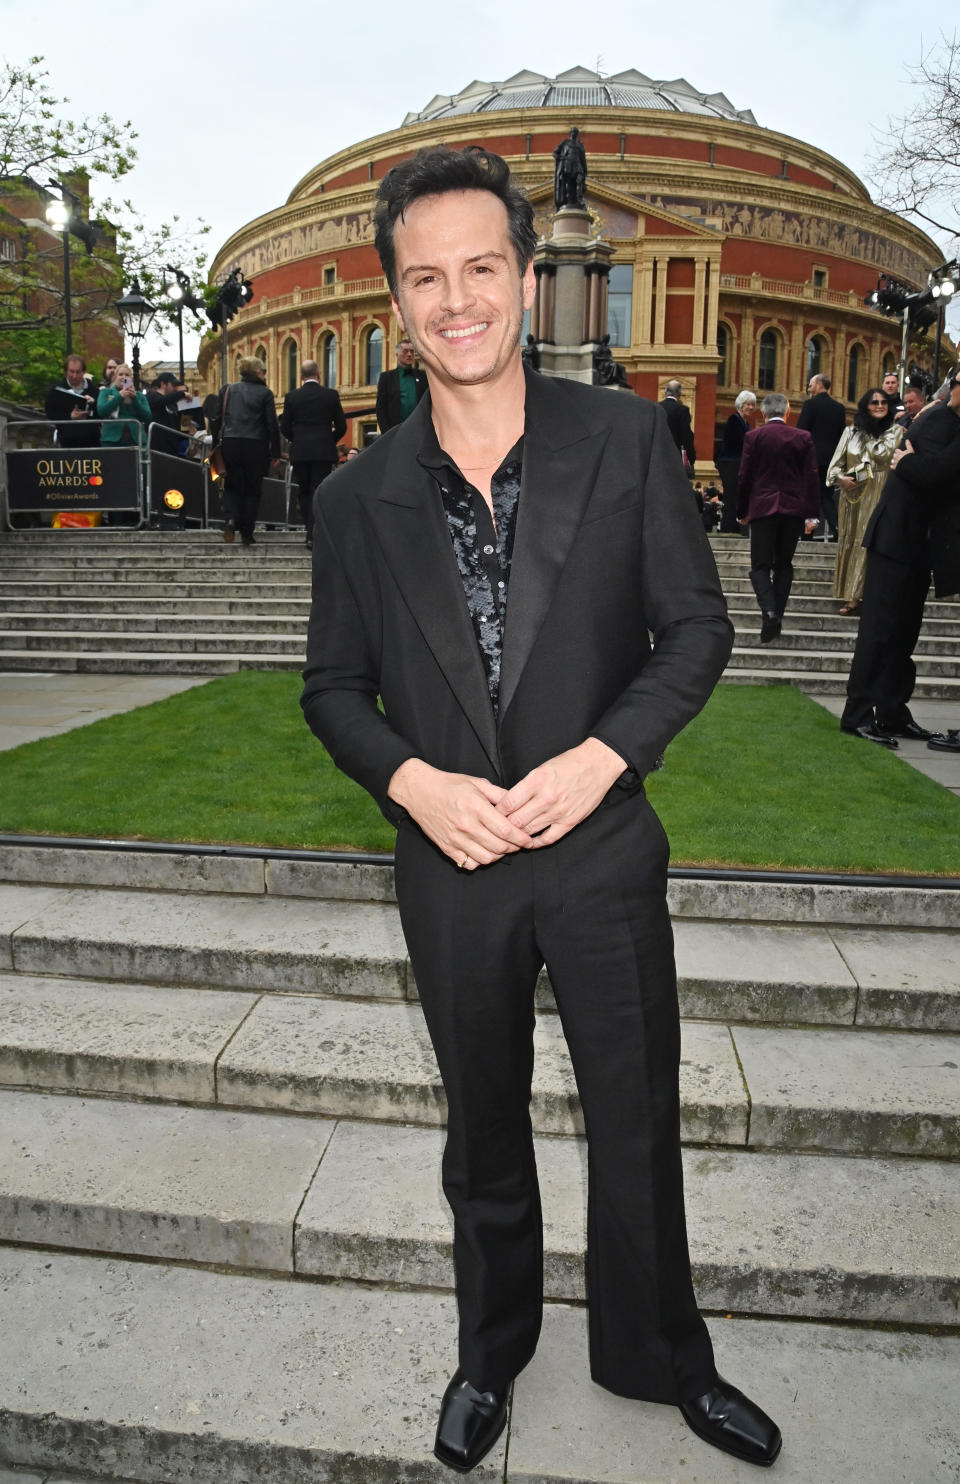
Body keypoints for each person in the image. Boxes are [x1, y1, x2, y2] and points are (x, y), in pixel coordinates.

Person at [301, 144, 780, 1474]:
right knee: (485, 1131)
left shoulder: (629, 438)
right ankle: (491, 1352)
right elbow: (332, 688)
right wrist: (411, 781)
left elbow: (695, 633)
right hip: (451, 867)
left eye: (481, 269)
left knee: (637, 1120)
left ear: (524, 274)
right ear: (398, 301)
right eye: (425, 278)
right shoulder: (352, 498)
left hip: (603, 853)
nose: (457, 301)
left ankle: (662, 1356)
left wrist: (604, 759)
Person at [840, 372, 960, 747]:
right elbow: (934, 472)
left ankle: (891, 712)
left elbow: (935, 472)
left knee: (903, 633)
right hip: (897, 539)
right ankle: (858, 714)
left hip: (915, 544)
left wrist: (907, 464)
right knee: (879, 630)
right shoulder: (939, 420)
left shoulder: (942, 419)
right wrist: (908, 464)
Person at [737, 391, 819, 642]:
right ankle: (773, 620)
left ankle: (770, 612)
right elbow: (811, 476)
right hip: (793, 510)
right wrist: (812, 515)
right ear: (787, 412)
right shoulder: (803, 437)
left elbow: (745, 476)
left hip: (763, 509)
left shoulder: (754, 436)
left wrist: (742, 511)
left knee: (759, 567)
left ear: (763, 413)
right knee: (783, 566)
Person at [827, 389, 902, 615]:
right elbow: (832, 470)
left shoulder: (895, 431)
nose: (880, 406)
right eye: (874, 402)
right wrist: (842, 479)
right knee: (850, 541)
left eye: (883, 402)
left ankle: (860, 596)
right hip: (852, 497)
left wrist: (869, 433)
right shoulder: (850, 432)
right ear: (865, 406)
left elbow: (882, 455)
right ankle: (850, 592)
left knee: (869, 543)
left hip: (880, 492)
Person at [211, 355, 280, 546]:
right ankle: (247, 533)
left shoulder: (228, 390)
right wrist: (275, 451)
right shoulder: (265, 393)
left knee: (232, 485)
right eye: (263, 370)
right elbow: (272, 425)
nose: (265, 374)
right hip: (256, 445)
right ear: (257, 372)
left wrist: (216, 442)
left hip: (231, 443)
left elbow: (217, 418)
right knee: (252, 489)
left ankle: (231, 519)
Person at [280, 359, 347, 548]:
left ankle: (308, 532)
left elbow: (284, 427)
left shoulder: (292, 397)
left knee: (304, 491)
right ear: (319, 375)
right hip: (323, 452)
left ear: (301, 377)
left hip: (301, 452)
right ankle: (315, 532)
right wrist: (328, 439)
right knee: (320, 491)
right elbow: (341, 426)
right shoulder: (330, 395)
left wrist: (298, 439)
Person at [796, 374, 847, 541]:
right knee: (826, 496)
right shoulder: (839, 408)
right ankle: (836, 528)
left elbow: (802, 432)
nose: (809, 388)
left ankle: (807, 532)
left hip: (811, 458)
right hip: (831, 460)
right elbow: (842, 435)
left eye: (810, 385)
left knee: (810, 495)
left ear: (818, 385)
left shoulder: (810, 405)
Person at [716, 389, 755, 533]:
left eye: (753, 405)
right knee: (731, 495)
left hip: (737, 462)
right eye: (748, 404)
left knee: (738, 494)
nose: (751, 407)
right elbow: (739, 441)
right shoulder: (734, 419)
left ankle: (736, 524)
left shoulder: (746, 423)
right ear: (740, 405)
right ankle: (729, 526)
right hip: (730, 462)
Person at [44, 354, 100, 448]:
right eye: (72, 372)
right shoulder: (56, 390)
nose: (74, 376)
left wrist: (93, 404)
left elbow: (101, 414)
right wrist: (69, 416)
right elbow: (50, 413)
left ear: (84, 372)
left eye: (78, 372)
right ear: (66, 372)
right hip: (67, 441)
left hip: (91, 441)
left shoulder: (94, 390)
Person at [376, 338, 427, 431]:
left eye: (412, 351)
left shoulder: (423, 376)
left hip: (419, 429)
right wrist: (386, 433)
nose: (409, 354)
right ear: (397, 355)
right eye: (405, 351)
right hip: (395, 431)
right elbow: (380, 408)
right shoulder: (386, 378)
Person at [96, 363, 151, 447]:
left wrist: (135, 399)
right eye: (120, 374)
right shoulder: (106, 392)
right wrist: (120, 396)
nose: (124, 377)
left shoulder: (139, 396)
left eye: (127, 375)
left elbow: (148, 417)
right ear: (115, 378)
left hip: (137, 441)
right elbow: (101, 411)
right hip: (111, 441)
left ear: (131, 379)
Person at [659, 378, 696, 472]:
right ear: (679, 394)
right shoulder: (683, 410)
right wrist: (691, 457)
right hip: (674, 455)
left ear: (665, 392)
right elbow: (686, 436)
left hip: (657, 454)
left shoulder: (656, 407)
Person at [146, 371, 187, 453]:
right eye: (172, 385)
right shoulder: (152, 396)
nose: (175, 388)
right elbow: (162, 400)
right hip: (158, 447)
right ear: (163, 384)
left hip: (172, 446)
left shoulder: (172, 403)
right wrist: (183, 394)